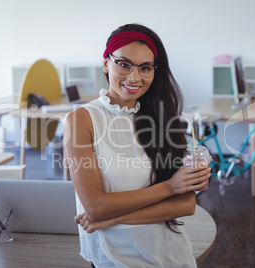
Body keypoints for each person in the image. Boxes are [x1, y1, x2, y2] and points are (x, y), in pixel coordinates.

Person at [64, 23, 211, 268]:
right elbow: (96, 207)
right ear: (105, 63)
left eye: (145, 68)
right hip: (114, 261)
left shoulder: (163, 118)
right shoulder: (81, 120)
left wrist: (111, 220)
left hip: (172, 257)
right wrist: (170, 187)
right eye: (124, 64)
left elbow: (186, 204)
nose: (135, 77)